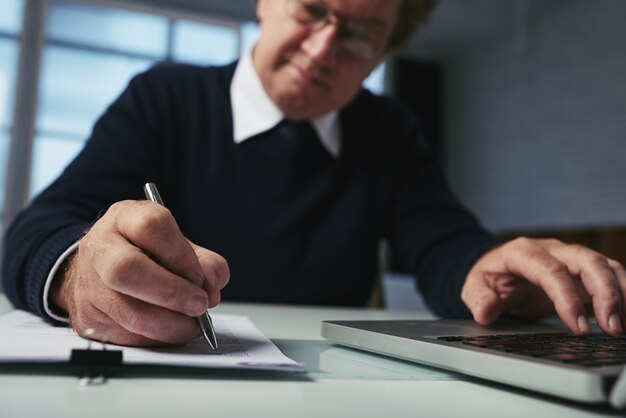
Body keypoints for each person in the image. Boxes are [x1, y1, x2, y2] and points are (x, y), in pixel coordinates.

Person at [2, 0, 625, 347]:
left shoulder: (390, 132)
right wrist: (79, 270)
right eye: (312, 10)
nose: (322, 51)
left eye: (359, 34)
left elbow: (443, 244)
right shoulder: (164, 97)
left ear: (382, 53)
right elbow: (37, 232)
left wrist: (492, 272)